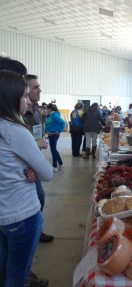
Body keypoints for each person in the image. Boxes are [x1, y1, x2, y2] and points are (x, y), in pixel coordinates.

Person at [0, 58, 51, 286]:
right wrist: (34, 167)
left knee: (4, 267)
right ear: (12, 97)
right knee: (17, 273)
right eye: (23, 95)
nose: (27, 101)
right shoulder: (16, 131)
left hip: (3, 214)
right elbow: (47, 173)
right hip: (22, 214)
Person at [24, 74, 55, 244]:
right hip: (24, 164)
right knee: (37, 198)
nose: (39, 90)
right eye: (35, 87)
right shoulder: (18, 113)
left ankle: (37, 229)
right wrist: (36, 142)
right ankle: (33, 231)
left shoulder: (35, 108)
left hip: (33, 158)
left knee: (39, 199)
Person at [45, 103, 66, 171]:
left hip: (54, 135)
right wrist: (46, 131)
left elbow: (63, 123)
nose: (45, 110)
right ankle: (60, 163)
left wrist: (59, 131)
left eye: (46, 108)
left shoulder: (55, 116)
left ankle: (55, 166)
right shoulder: (49, 116)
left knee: (53, 150)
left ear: (50, 109)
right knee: (54, 149)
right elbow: (47, 125)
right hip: (50, 134)